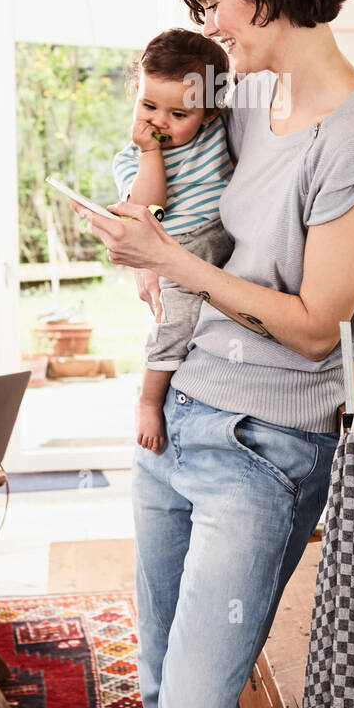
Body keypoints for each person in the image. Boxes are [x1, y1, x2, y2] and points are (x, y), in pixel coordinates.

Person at [74, 0, 354, 708]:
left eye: (213, 2)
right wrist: (144, 238)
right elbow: (183, 202)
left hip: (261, 452)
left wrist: (174, 265)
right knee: (158, 697)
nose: (209, 25)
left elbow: (314, 326)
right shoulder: (247, 100)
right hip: (178, 417)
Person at [112, 28, 235, 453]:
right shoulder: (131, 158)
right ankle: (149, 399)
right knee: (176, 324)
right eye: (148, 105)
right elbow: (148, 209)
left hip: (228, 240)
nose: (159, 122)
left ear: (209, 114)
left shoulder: (219, 131)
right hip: (177, 248)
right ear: (135, 92)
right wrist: (150, 154)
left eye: (178, 115)